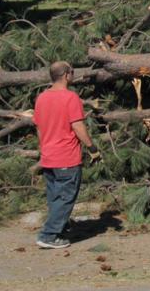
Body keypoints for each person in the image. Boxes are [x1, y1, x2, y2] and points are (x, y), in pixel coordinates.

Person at [33, 61, 100, 249]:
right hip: (66, 157)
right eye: (73, 71)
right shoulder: (70, 98)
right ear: (66, 75)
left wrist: (44, 147)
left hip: (49, 156)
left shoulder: (42, 98)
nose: (73, 74)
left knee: (55, 197)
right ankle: (48, 235)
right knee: (65, 197)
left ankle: (58, 229)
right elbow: (78, 126)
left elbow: (39, 127)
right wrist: (92, 147)